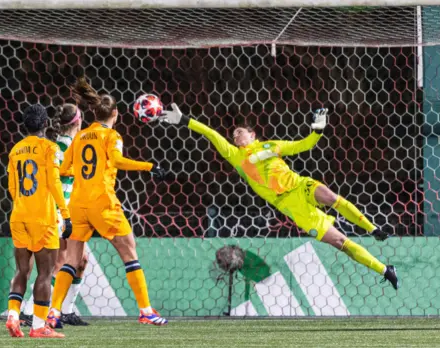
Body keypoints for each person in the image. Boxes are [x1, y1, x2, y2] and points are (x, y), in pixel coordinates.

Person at [159, 104, 399, 289]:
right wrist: (184, 120)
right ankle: (384, 269)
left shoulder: (271, 145)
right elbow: (211, 134)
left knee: (330, 197)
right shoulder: (235, 155)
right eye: (233, 135)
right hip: (289, 205)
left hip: (298, 185)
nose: (235, 137)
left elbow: (304, 144)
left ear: (253, 135)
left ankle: (372, 228)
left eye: (240, 132)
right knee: (340, 243)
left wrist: (319, 128)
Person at [47, 78, 170, 326]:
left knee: (71, 260)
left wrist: (82, 173)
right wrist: (150, 167)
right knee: (130, 252)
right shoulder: (111, 136)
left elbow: (64, 170)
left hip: (78, 205)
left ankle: (54, 312)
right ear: (115, 113)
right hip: (102, 203)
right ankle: (146, 310)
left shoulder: (81, 136)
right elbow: (117, 161)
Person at [5, 104, 71, 339]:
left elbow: (12, 187)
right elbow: (54, 182)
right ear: (45, 124)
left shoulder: (15, 150)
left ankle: (13, 316)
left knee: (22, 270)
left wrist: (23, 204)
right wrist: (65, 213)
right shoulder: (49, 148)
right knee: (45, 273)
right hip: (43, 219)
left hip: (19, 215)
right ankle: (38, 326)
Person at [21, 102, 89, 327]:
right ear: (78, 121)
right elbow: (54, 177)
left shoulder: (70, 145)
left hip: (71, 210)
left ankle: (66, 310)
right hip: (62, 212)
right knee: (60, 262)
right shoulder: (62, 147)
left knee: (80, 260)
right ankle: (30, 310)